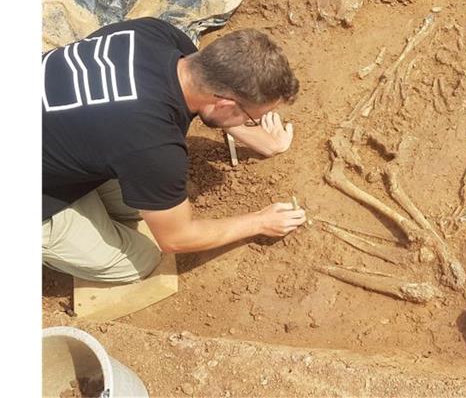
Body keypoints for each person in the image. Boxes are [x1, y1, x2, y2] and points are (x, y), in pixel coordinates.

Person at [42, 17, 307, 283]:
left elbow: (210, 103)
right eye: (251, 116)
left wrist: (265, 141)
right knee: (143, 259)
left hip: (53, 128)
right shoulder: (154, 145)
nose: (250, 123)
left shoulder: (155, 34)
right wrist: (260, 222)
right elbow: (176, 240)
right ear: (226, 104)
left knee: (139, 206)